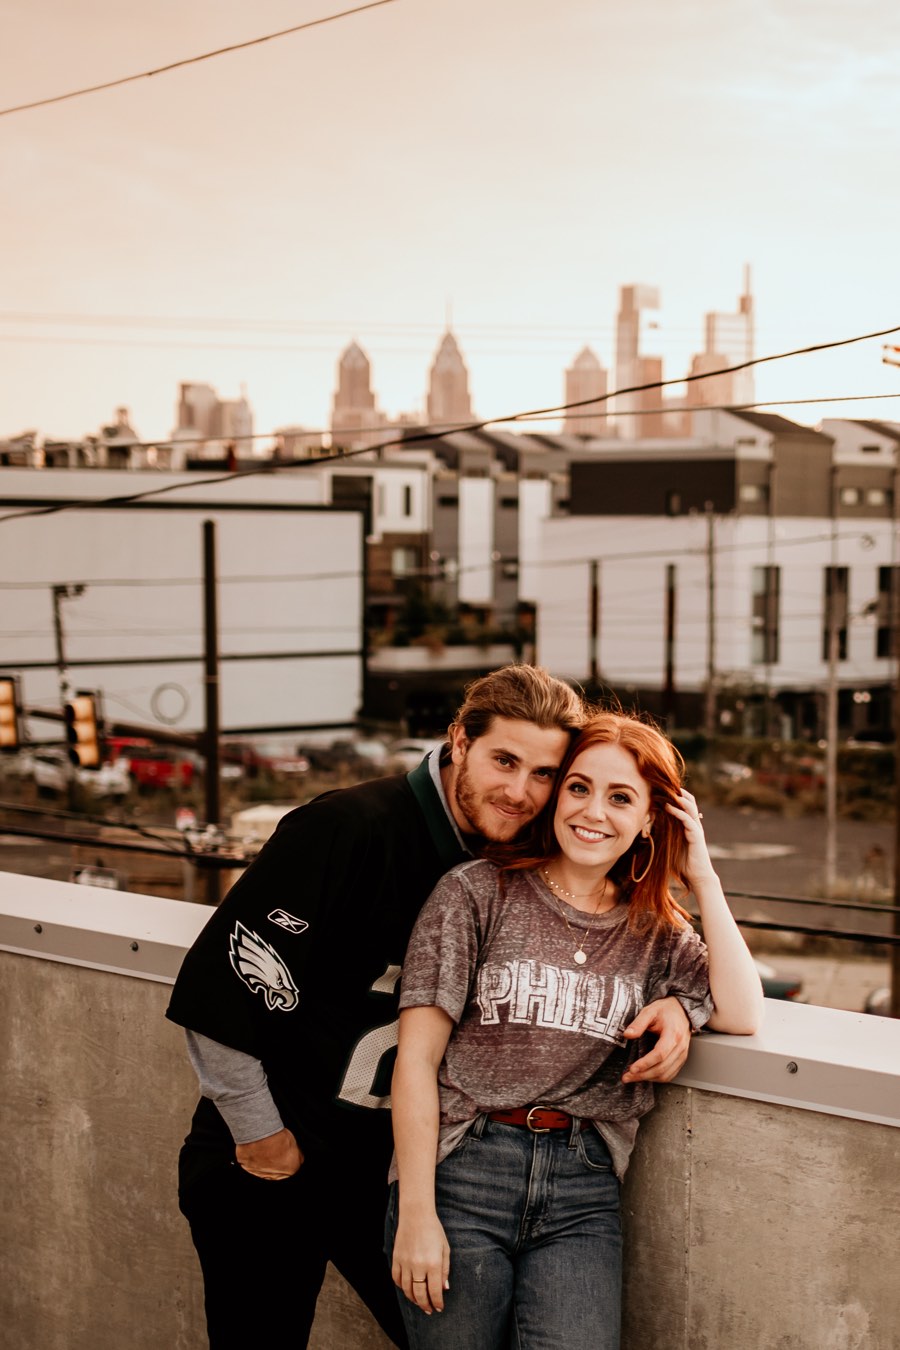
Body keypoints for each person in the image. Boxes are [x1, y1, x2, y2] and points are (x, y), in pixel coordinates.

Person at [166, 669, 694, 1349]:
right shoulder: (347, 825)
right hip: (273, 1154)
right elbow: (223, 981)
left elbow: (631, 941)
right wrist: (261, 1138)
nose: (520, 791)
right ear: (458, 741)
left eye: (543, 774)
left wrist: (680, 1002)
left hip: (385, 1168)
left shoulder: (512, 861)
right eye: (504, 760)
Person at [387, 710, 763, 1350]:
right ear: (557, 794)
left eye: (622, 798)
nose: (594, 811)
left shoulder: (656, 932)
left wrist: (701, 876)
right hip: (462, 1174)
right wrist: (416, 1214)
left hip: (582, 1189)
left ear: (651, 818)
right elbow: (417, 1061)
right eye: (579, 787)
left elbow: (744, 1011)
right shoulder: (477, 893)